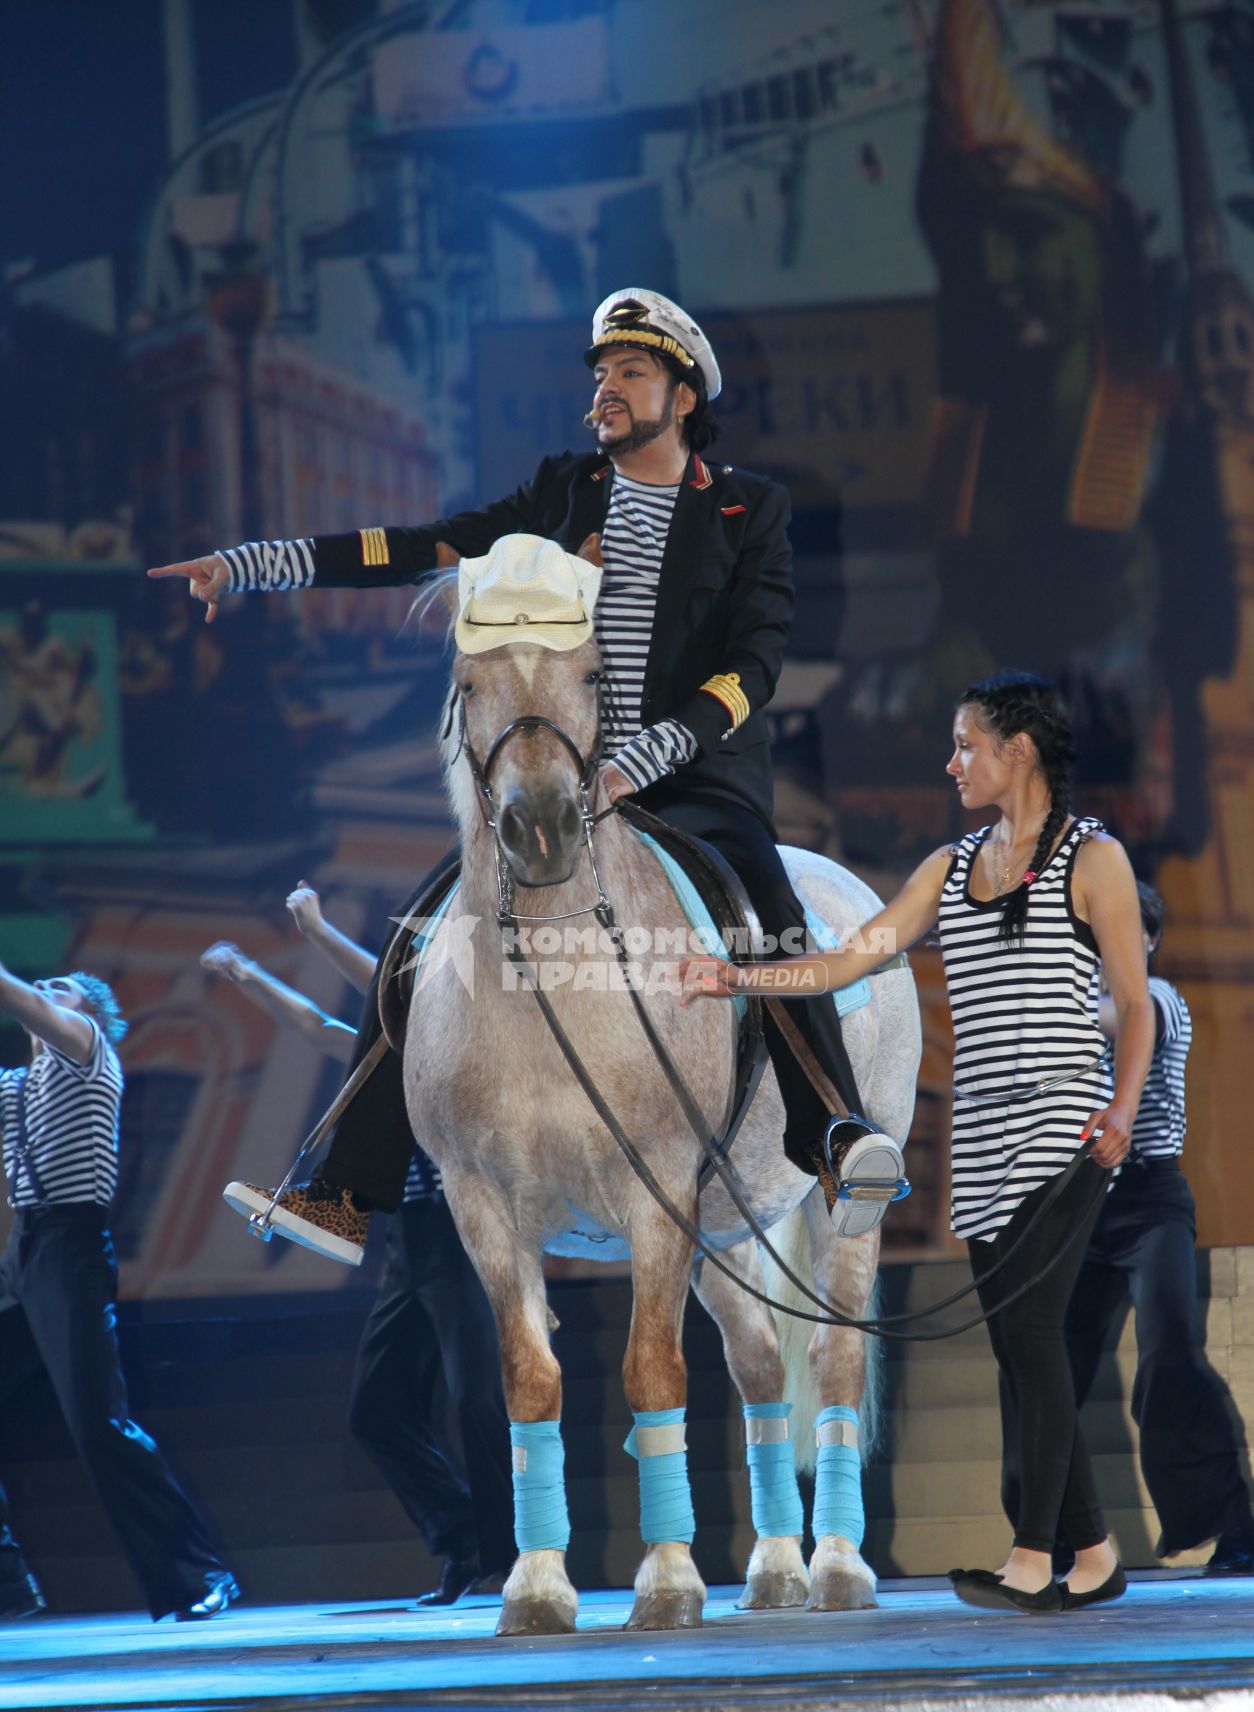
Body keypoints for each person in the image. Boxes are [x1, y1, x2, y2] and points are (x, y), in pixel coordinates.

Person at [150, 287, 903, 1265]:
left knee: (765, 910)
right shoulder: (563, 491)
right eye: (600, 374)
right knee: (420, 942)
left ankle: (835, 1136)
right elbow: (420, 546)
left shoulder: (747, 508)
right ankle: (340, 1191)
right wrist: (258, 564)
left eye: (629, 373)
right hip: (559, 783)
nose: (606, 389)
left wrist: (644, 759)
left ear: (680, 394)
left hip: (689, 782)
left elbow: (749, 669)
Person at [683, 671, 1155, 1613]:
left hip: (1065, 1122)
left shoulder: (1094, 860)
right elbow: (849, 956)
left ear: (1016, 751)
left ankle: (1033, 1557)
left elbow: (1135, 1005)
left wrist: (1123, 1111)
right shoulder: (951, 866)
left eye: (966, 745)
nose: (953, 763)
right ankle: (1095, 1552)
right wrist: (737, 977)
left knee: (1032, 1332)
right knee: (1018, 1348)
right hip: (980, 1134)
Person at [201, 885, 515, 1604]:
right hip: (408, 1249)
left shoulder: (460, 1044)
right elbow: (316, 1024)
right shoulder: (386, 1062)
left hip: (468, 1239)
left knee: (478, 1401)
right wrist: (249, 974)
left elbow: (386, 986)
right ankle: (462, 1540)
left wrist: (313, 930)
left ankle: (506, 1555)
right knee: (375, 1410)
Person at [1026, 882, 1254, 1577]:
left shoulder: (1157, 998)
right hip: (1079, 1209)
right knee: (1048, 1373)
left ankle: (1233, 1528)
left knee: (1170, 1359)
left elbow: (1120, 1019)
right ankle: (1049, 1538)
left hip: (1151, 1203)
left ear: (1149, 943)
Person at [0, 963, 237, 1621]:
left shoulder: (84, 1047)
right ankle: (8, 1582)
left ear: (87, 1014)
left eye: (60, 988)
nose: (46, 992)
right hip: (24, 1253)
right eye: (42, 988)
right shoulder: (17, 1085)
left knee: (100, 1426)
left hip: (71, 1250)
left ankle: (199, 1576)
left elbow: (17, 994)